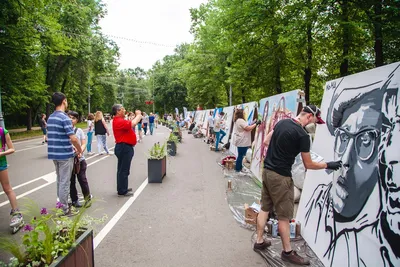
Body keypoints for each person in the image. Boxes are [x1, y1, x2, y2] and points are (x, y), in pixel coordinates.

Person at [254, 105, 341, 265]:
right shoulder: (302, 135)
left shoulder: (282, 123)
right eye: (315, 121)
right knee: (284, 216)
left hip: (267, 171)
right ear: (309, 116)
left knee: (265, 208)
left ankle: (259, 241)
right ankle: (287, 252)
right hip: (281, 177)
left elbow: (266, 141)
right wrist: (328, 165)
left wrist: (281, 149)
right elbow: (308, 164)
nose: (314, 124)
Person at [47, 92, 83, 216]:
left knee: (59, 180)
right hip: (64, 154)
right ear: (64, 101)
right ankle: (64, 209)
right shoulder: (64, 118)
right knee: (65, 182)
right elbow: (73, 138)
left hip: (54, 153)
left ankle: (60, 205)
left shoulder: (51, 117)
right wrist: (79, 149)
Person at [111, 104, 142, 197]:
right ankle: (122, 190)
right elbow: (132, 123)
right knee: (123, 169)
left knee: (122, 169)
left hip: (124, 147)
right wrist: (139, 115)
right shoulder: (118, 121)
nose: (124, 110)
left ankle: (122, 187)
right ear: (118, 111)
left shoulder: (119, 120)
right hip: (124, 147)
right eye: (122, 109)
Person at [0, 126, 24, 232]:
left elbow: (12, 148)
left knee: (7, 188)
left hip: (1, 164)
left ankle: (17, 214)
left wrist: (2, 153)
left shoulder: (2, 131)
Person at [67, 111, 92, 208]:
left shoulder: (79, 130)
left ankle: (87, 199)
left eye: (73, 118)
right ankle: (74, 200)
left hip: (80, 159)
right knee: (71, 181)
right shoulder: (65, 130)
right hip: (69, 159)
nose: (71, 120)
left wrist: (80, 151)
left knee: (82, 179)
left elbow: (84, 142)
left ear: (77, 120)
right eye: (69, 117)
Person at [233, 109, 259, 174]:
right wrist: (256, 124)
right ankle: (238, 169)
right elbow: (248, 128)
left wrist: (253, 122)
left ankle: (239, 167)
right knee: (241, 155)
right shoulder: (240, 120)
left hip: (241, 140)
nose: (244, 114)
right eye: (244, 113)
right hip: (242, 141)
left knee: (240, 155)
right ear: (241, 114)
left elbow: (247, 126)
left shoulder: (238, 120)